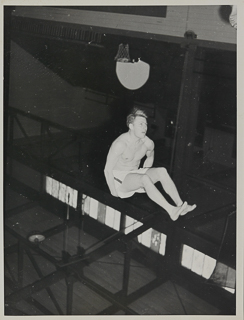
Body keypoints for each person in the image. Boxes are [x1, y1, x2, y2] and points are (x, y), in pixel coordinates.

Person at [104, 107, 196, 221]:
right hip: (119, 179)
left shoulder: (148, 143)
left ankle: (181, 205)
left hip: (135, 173)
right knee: (144, 179)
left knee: (161, 171)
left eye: (146, 124)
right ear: (131, 126)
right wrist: (113, 192)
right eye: (141, 124)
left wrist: (146, 169)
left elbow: (150, 155)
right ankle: (171, 210)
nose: (145, 128)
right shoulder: (120, 144)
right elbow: (107, 169)